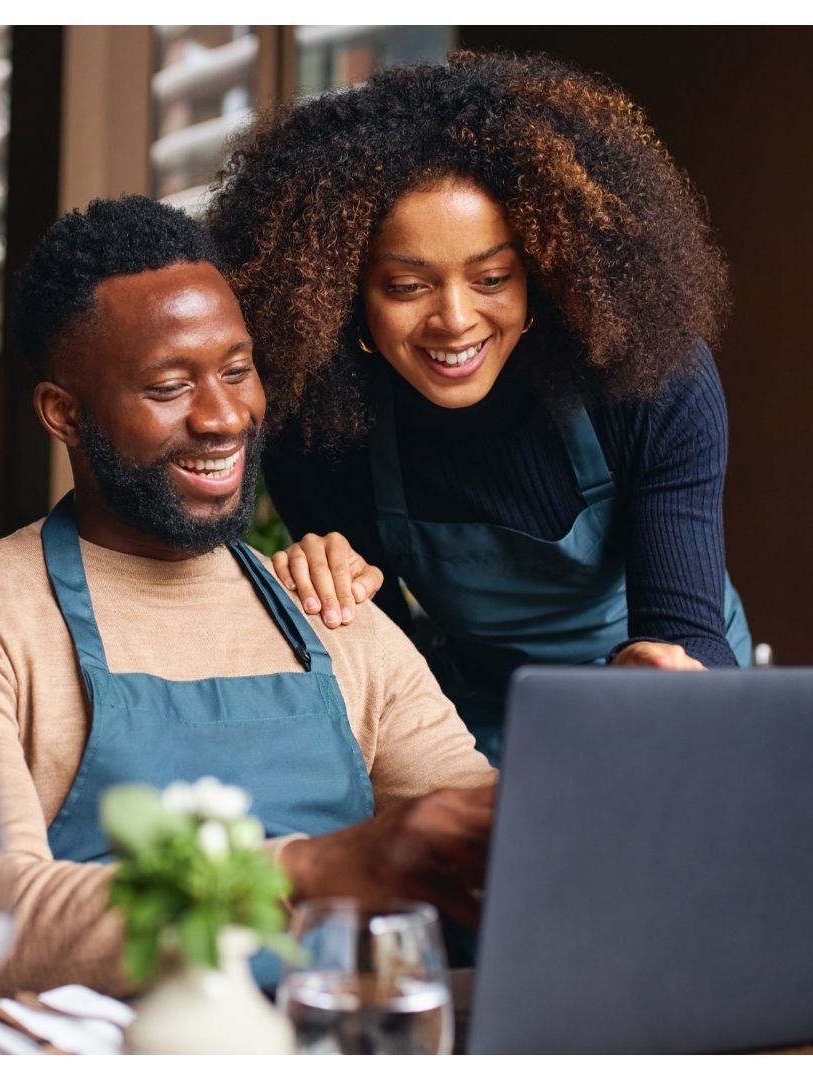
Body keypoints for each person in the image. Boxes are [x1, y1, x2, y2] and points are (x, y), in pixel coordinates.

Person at [0, 196, 813, 997]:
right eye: (170, 387)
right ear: (62, 413)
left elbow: (528, 849)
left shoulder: (328, 609)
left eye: (236, 371)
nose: (224, 419)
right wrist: (321, 869)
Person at [207, 52, 752, 762]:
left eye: (493, 277)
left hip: (668, 698)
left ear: (544, 271)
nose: (456, 321)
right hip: (481, 719)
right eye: (407, 287)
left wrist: (665, 674)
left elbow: (688, 628)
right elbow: (390, 670)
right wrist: (329, 592)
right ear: (343, 296)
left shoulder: (647, 378)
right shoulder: (319, 426)